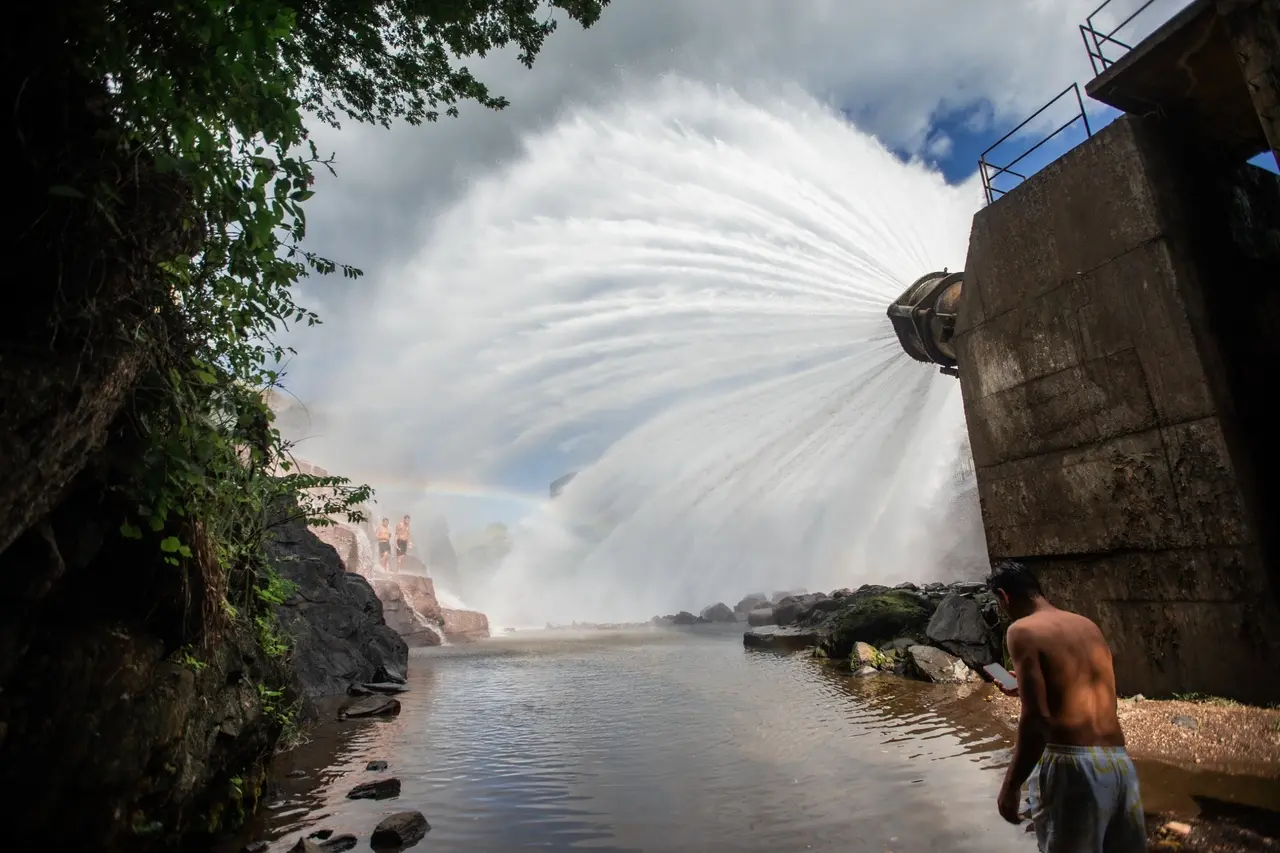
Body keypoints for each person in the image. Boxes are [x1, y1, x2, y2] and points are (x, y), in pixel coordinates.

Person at [989, 559, 1146, 852]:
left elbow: (1038, 720)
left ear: (1004, 596)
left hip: (1072, 767)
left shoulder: (1021, 631)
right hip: (1118, 764)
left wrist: (1010, 787)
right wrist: (1025, 689)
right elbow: (1079, 689)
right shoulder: (1086, 625)